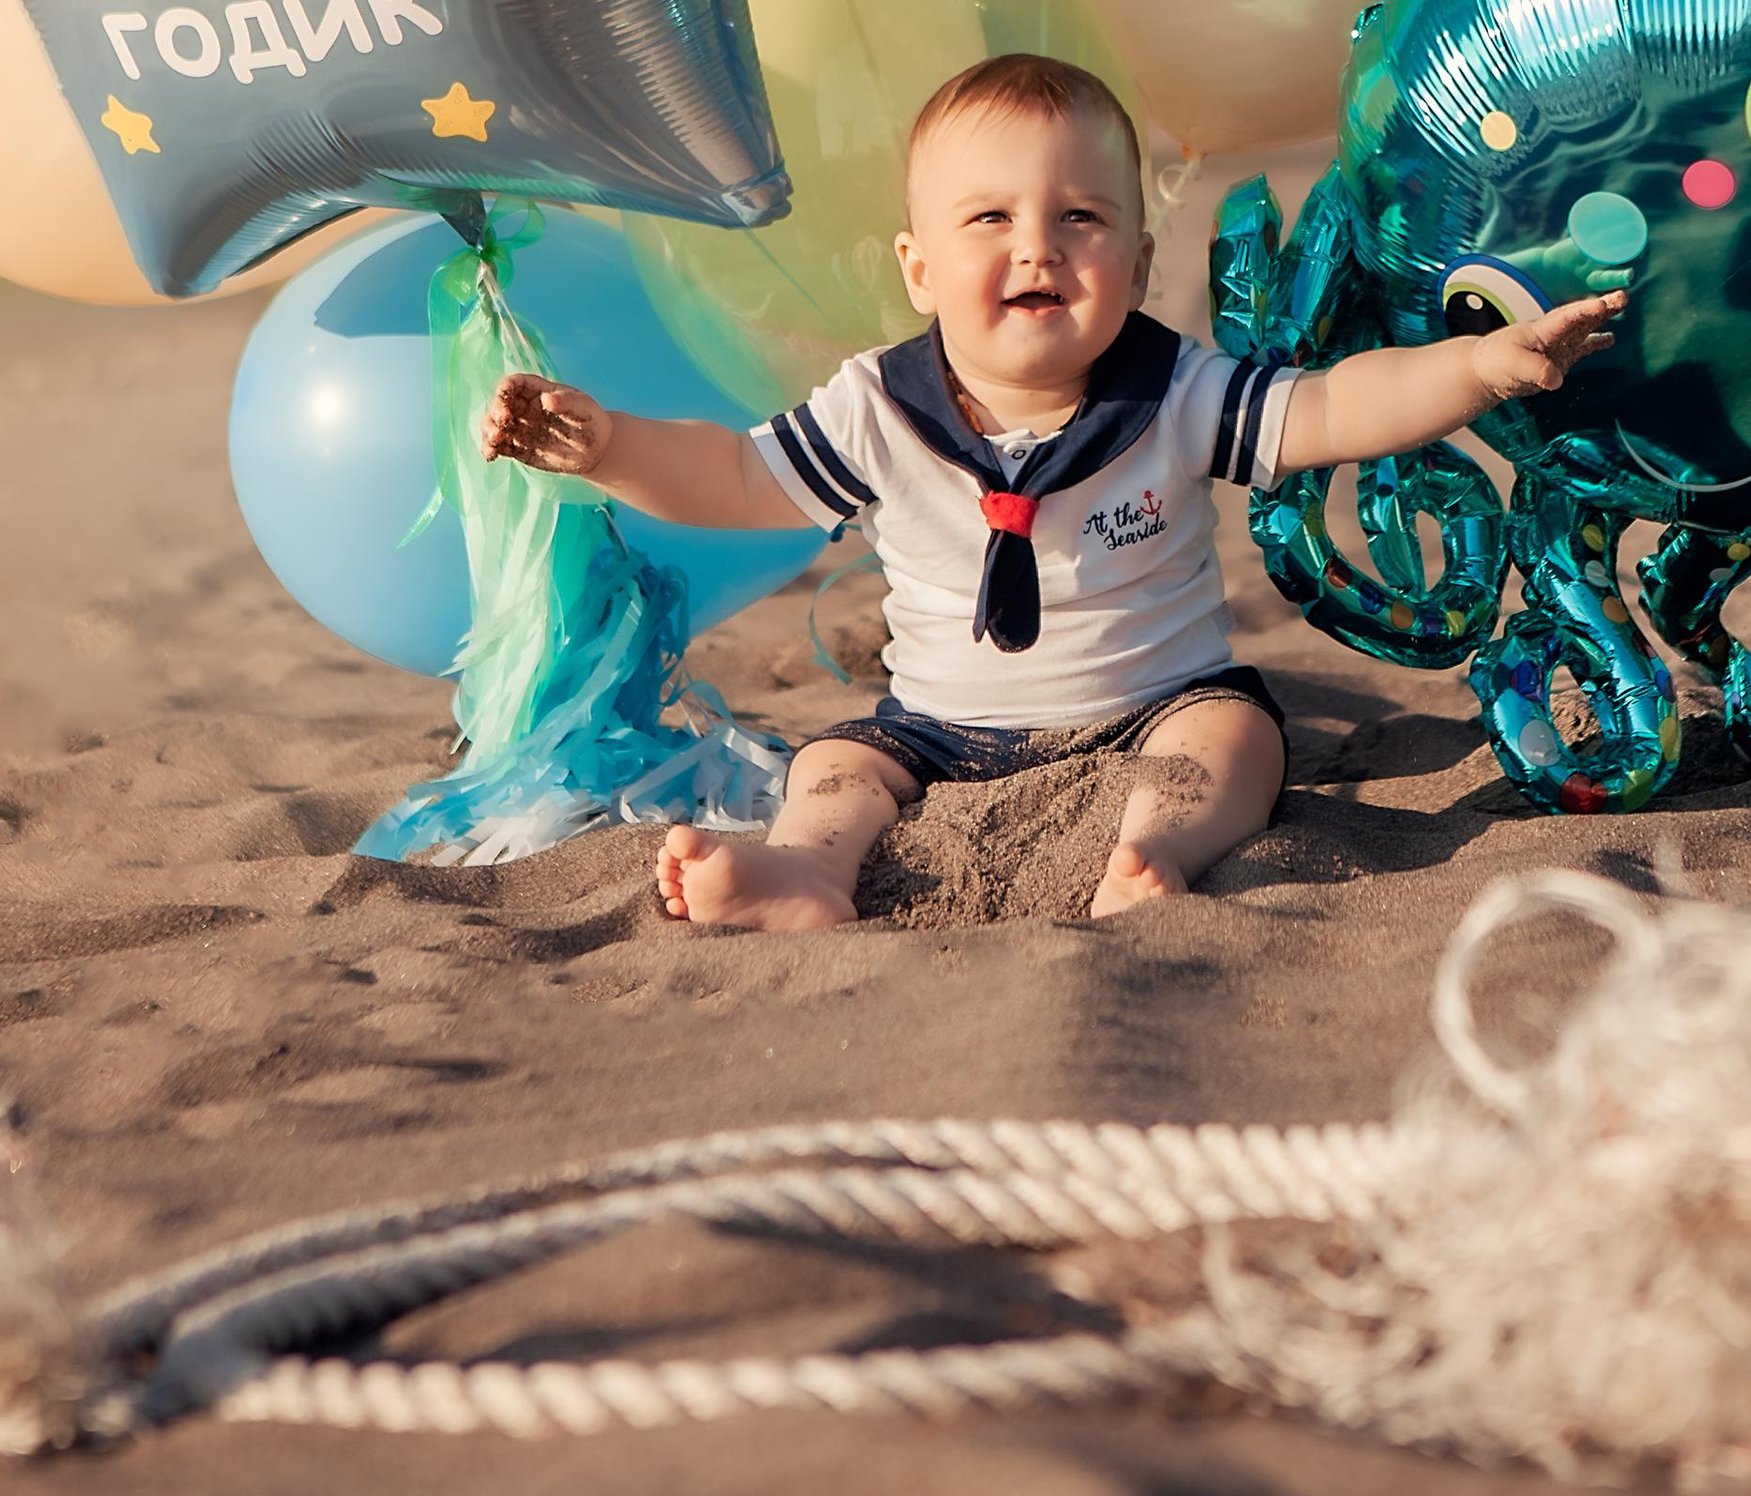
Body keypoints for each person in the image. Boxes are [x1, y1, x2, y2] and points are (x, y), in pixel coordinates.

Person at [480, 53, 1623, 930]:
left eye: (1080, 217)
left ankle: (1157, 857)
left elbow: (1327, 408)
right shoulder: (876, 407)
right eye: (989, 219)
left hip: (1152, 704)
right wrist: (607, 446)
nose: (1037, 247)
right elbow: (735, 476)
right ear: (919, 267)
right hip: (937, 731)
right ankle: (807, 870)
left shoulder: (1171, 392)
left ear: (1133, 263)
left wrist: (1473, 367)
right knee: (832, 769)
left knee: (1234, 740)